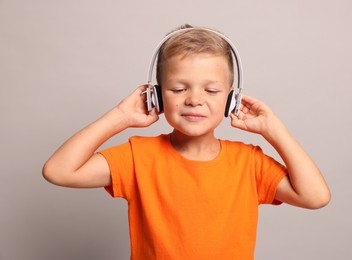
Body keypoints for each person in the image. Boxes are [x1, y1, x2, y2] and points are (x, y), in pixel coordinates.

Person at [42, 24, 330, 259]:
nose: (194, 99)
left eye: (212, 90)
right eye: (179, 88)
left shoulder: (249, 163)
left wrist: (273, 129)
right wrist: (119, 117)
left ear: (232, 99)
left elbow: (315, 197)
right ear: (156, 96)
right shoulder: (137, 157)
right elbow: (59, 171)